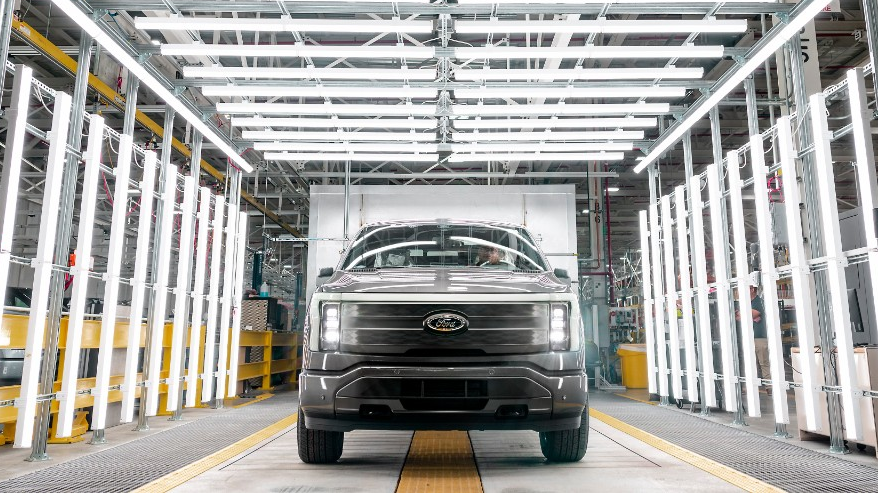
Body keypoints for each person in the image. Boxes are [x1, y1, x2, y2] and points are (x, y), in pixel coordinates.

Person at [737, 285, 769, 394]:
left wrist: (742, 314)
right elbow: (739, 316)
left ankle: (769, 387)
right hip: (750, 338)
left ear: (752, 290)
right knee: (751, 364)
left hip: (760, 338)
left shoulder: (758, 302)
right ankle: (751, 387)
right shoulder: (748, 303)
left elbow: (747, 315)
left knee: (764, 363)